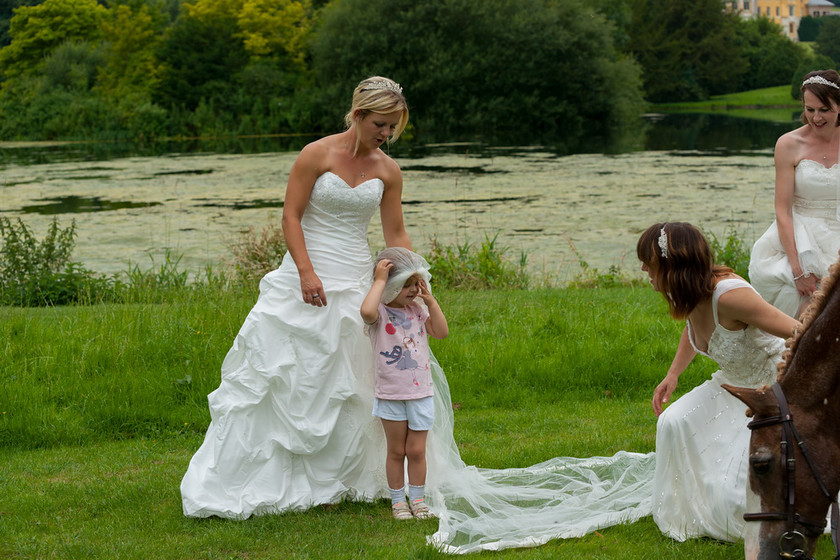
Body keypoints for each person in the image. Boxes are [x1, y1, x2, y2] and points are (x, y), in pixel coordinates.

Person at [180, 76, 417, 518]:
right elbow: (291, 214)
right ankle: (268, 473)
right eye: (380, 124)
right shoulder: (316, 154)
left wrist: (410, 275)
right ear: (359, 114)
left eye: (393, 127)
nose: (386, 134)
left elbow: (395, 231)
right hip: (307, 271)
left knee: (354, 376)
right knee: (286, 372)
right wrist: (305, 272)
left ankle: (347, 476)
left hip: (353, 273)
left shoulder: (388, 170)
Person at [638, 222, 800, 542]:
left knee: (734, 502)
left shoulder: (731, 297)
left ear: (673, 265)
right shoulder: (688, 290)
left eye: (649, 262)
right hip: (729, 385)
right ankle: (687, 502)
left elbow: (800, 332)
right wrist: (673, 375)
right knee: (672, 420)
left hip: (768, 392)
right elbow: (693, 330)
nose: (644, 268)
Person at [360, 247, 449, 519]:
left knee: (416, 450)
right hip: (391, 394)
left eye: (415, 284)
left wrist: (430, 302)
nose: (412, 290)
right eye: (405, 285)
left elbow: (442, 332)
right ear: (390, 286)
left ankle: (418, 500)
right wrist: (379, 281)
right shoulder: (380, 315)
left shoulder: (417, 311)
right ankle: (398, 502)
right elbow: (365, 311)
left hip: (420, 392)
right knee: (396, 450)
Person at [750, 69, 840, 318]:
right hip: (802, 238)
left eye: (824, 109)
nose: (816, 118)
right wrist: (798, 269)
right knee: (810, 312)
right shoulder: (789, 144)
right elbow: (783, 210)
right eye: (810, 109)